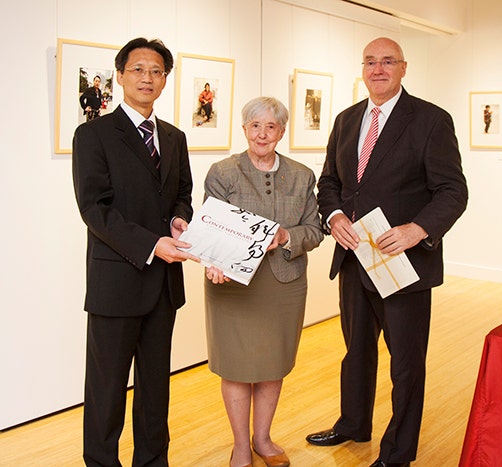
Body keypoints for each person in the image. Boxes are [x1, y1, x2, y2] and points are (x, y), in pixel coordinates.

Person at [307, 37, 468, 467]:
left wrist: (417, 230)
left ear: (403, 68)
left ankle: (397, 452)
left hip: (404, 263)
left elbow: (453, 191)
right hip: (354, 257)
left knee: (406, 364)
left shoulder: (431, 121)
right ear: (362, 68)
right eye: (370, 62)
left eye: (388, 62)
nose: (378, 69)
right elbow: (330, 184)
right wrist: (335, 215)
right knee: (355, 351)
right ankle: (353, 424)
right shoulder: (345, 120)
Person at [72, 37, 198, 467]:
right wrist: (152, 244)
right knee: (106, 388)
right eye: (139, 69)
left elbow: (183, 193)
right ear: (121, 74)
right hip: (116, 281)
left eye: (157, 71)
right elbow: (94, 208)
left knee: (155, 387)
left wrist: (180, 219)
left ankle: (152, 461)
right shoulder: (93, 134)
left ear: (165, 80)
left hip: (163, 286)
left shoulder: (175, 137)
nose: (148, 78)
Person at [202, 96, 324, 467]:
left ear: (282, 132)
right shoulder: (222, 172)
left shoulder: (302, 175)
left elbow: (315, 230)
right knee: (237, 367)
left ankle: (263, 438)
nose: (262, 134)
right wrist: (212, 261)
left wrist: (287, 237)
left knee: (272, 365)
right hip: (232, 286)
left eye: (271, 127)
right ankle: (241, 446)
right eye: (255, 126)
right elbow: (211, 227)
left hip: (284, 283)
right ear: (244, 130)